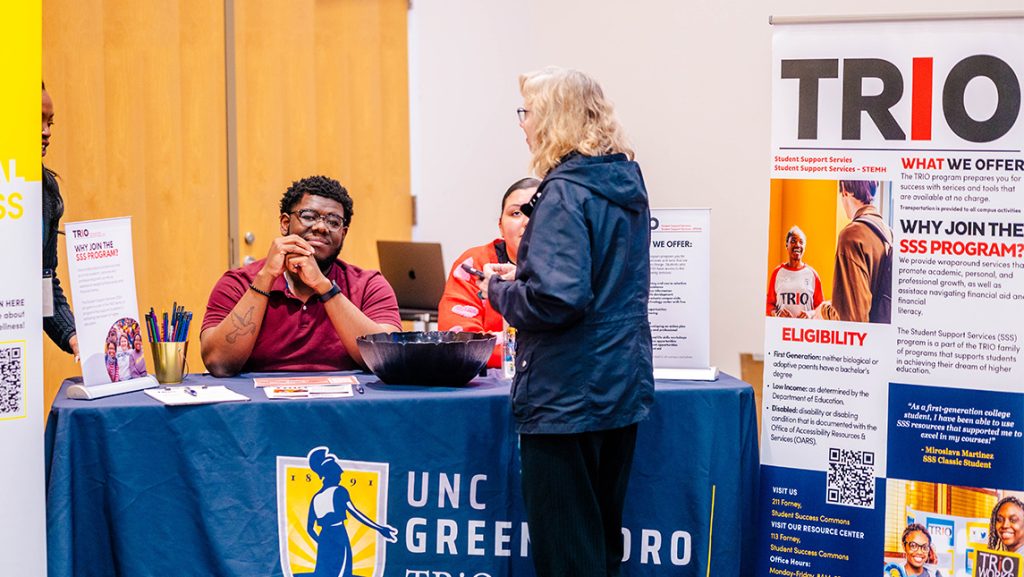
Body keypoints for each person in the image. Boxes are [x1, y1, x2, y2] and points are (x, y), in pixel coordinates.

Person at [480, 67, 654, 577]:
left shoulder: (563, 192)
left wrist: (499, 289)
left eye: (527, 112)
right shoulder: (623, 185)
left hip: (566, 396)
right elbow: (599, 281)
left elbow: (559, 299)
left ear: (553, 118)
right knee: (599, 547)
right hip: (618, 387)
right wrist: (528, 274)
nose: (522, 125)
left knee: (567, 556)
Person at [201, 175, 401, 376]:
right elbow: (219, 363)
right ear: (285, 223)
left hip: (345, 405)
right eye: (309, 216)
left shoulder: (368, 285)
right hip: (259, 405)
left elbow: (390, 359)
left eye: (333, 221)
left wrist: (324, 288)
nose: (321, 227)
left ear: (344, 233)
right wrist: (266, 278)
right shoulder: (238, 283)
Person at [437, 177, 539, 367]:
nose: (526, 222)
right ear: (500, 226)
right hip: (484, 383)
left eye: (536, 211)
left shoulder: (569, 270)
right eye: (516, 213)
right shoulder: (473, 264)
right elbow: (460, 341)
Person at [298, 447, 397, 577]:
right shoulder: (339, 491)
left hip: (324, 538)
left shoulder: (315, 497)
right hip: (338, 535)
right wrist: (380, 528)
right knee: (343, 572)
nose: (340, 475)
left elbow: (310, 529)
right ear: (330, 474)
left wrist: (322, 542)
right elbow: (355, 513)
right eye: (338, 473)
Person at [819, 180, 892, 323]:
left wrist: (822, 311)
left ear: (845, 190)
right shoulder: (888, 233)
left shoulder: (851, 236)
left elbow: (851, 320)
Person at [42, 82, 78, 358]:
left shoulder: (46, 191)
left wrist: (74, 336)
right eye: (37, 121)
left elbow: (43, 283)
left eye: (50, 122)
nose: (46, 132)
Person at [766, 226, 823, 318]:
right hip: (782, 328)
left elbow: (820, 308)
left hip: (805, 330)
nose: (797, 245)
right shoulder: (777, 273)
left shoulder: (812, 274)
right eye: (793, 241)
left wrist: (810, 314)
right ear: (786, 245)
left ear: (804, 247)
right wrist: (776, 313)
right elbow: (768, 305)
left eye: (801, 242)